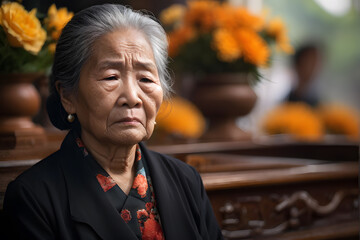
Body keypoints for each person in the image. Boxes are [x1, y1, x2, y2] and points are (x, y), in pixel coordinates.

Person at [3, 4, 222, 240]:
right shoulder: (34, 198)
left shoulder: (185, 180)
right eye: (111, 77)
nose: (132, 97)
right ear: (68, 96)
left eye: (146, 79)